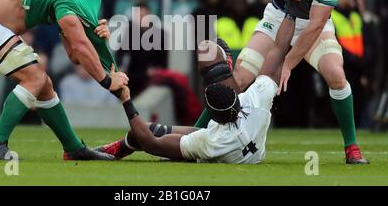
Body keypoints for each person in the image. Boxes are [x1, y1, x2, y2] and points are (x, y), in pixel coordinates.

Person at [194, 0, 368, 164]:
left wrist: (288, 63)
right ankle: (195, 134)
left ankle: (352, 147)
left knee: (336, 76)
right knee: (240, 77)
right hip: (278, 16)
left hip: (311, 23)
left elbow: (316, 25)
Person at [0, 0, 129, 161]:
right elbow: (80, 47)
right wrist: (106, 81)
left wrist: (97, 38)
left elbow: (73, 55)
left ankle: (74, 148)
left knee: (44, 85)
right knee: (35, 78)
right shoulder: (66, 2)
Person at [95, 15, 295, 163]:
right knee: (152, 131)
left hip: (219, 147)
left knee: (147, 132)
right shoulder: (256, 100)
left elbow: (150, 144)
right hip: (242, 141)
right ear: (237, 98)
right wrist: (294, 13)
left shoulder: (210, 140)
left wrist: (126, 99)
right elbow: (280, 48)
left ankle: (117, 150)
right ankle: (225, 66)